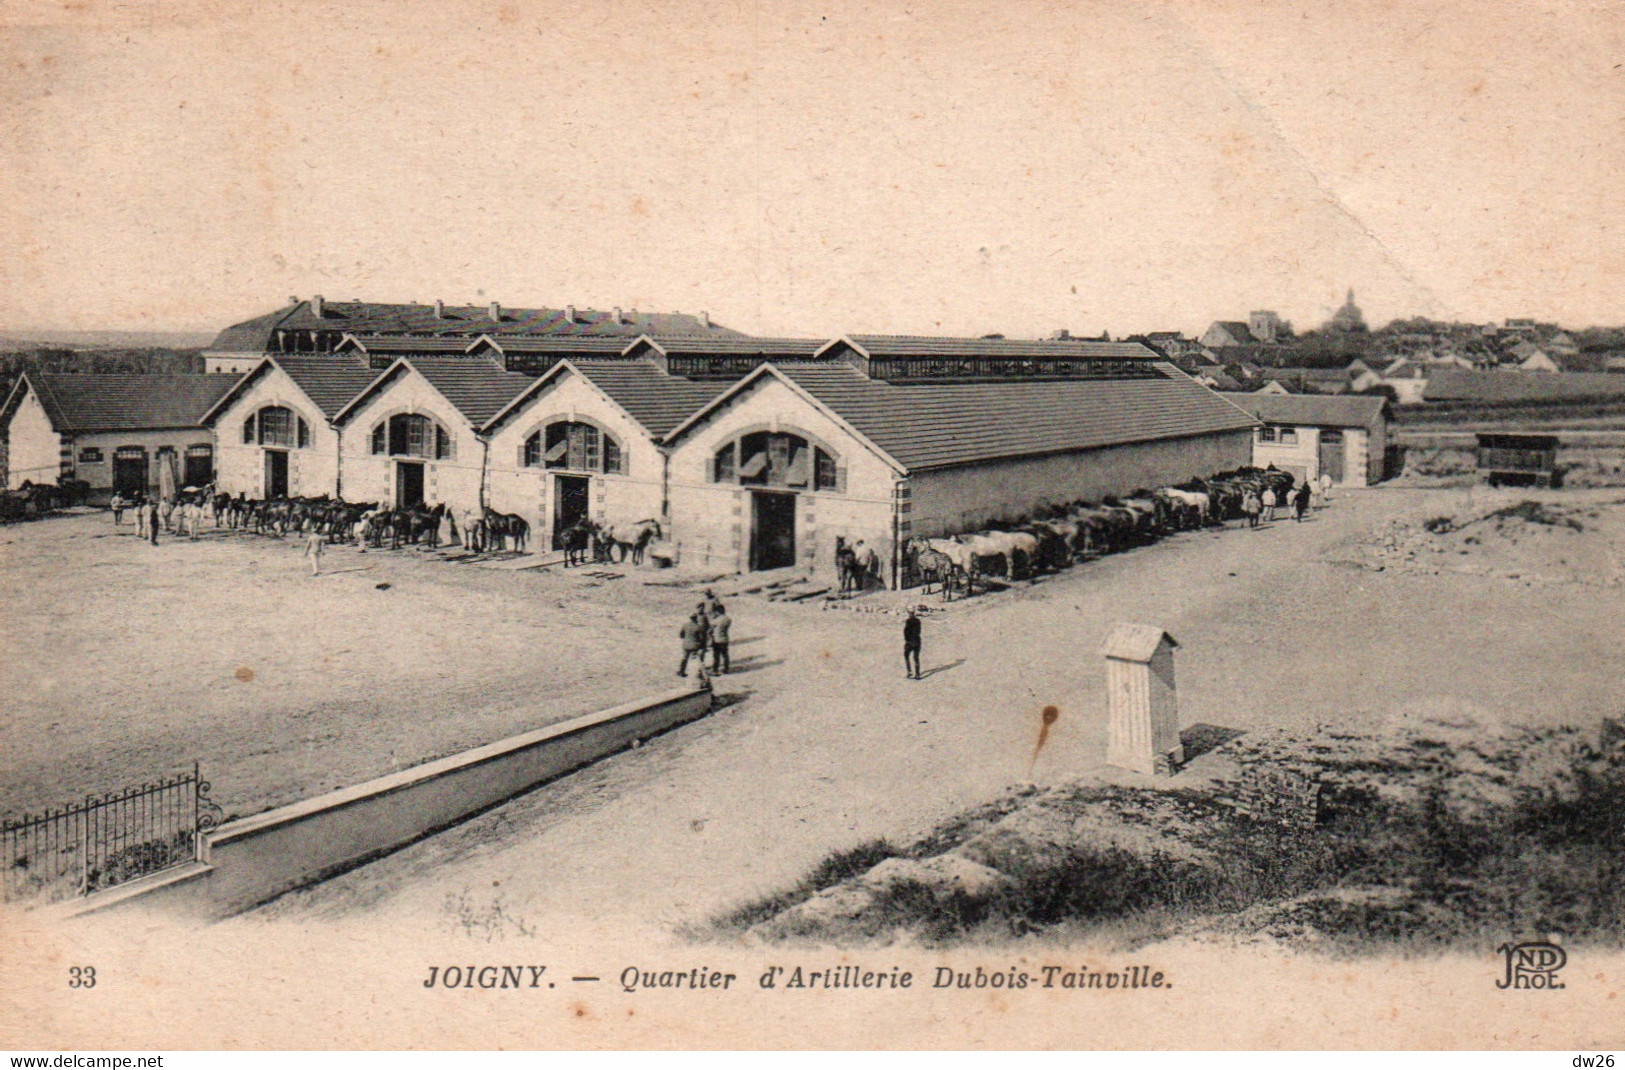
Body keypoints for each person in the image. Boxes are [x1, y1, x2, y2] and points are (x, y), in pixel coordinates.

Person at [677, 612, 708, 677]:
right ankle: (698, 673)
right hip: (695, 646)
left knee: (684, 658)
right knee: (696, 659)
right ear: (696, 619)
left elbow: (681, 635)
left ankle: (681, 671)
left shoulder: (685, 625)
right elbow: (701, 638)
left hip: (685, 645)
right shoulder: (698, 627)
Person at [709, 602, 731, 674]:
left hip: (717, 639)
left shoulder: (717, 620)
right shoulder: (728, 619)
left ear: (718, 612)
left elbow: (711, 626)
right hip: (725, 638)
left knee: (716, 656)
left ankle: (715, 669)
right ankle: (726, 669)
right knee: (725, 655)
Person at [903, 608, 922, 680]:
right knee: (916, 657)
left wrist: (907, 640)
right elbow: (919, 631)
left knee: (906, 655)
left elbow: (906, 632)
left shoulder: (908, 621)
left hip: (910, 642)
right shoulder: (918, 621)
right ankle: (917, 674)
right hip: (917, 640)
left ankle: (909, 671)